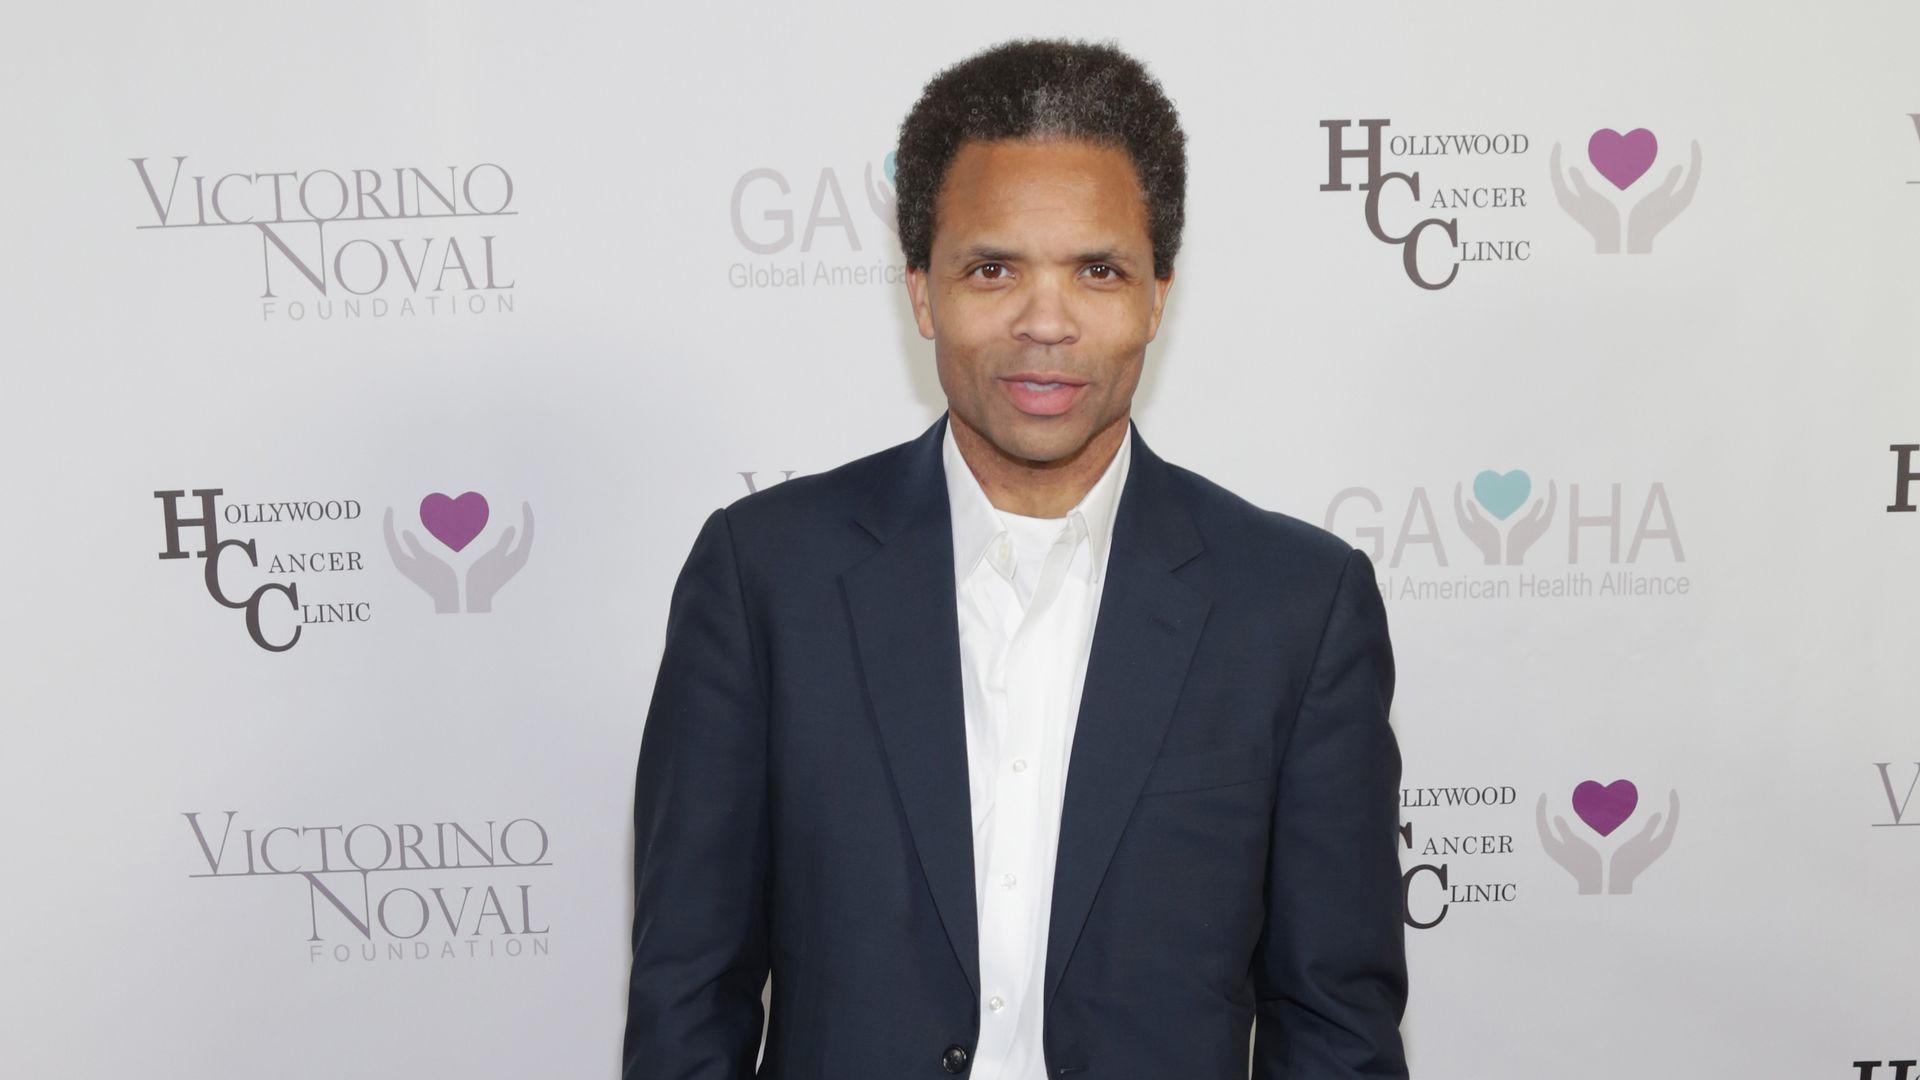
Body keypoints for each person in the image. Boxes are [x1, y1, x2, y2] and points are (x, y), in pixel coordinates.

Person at [623, 38, 1408, 1080]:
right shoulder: (765, 579)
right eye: (993, 269)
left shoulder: (1295, 608)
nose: (1046, 323)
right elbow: (687, 998)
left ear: (1157, 296)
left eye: (1098, 271)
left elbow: (1335, 1029)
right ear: (921, 292)